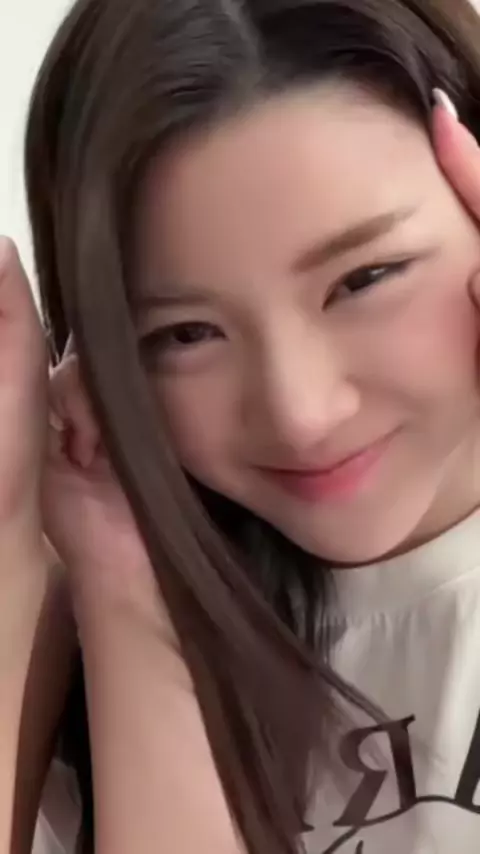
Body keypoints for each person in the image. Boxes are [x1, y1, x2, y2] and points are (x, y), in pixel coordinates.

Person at [11, 0, 480, 852]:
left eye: (364, 279)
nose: (301, 414)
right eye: (185, 335)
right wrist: (120, 585)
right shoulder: (77, 633)